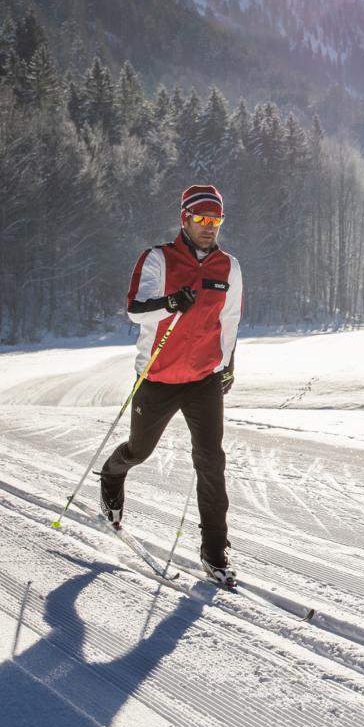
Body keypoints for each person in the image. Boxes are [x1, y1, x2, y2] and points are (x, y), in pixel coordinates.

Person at [100, 184, 243, 581]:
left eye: (215, 220)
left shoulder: (228, 267)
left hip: (203, 380)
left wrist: (227, 363)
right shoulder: (157, 259)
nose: (209, 226)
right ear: (185, 219)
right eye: (201, 219)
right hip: (159, 376)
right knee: (140, 450)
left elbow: (229, 321)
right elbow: (134, 310)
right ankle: (112, 474)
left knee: (211, 460)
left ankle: (215, 549)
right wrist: (169, 303)